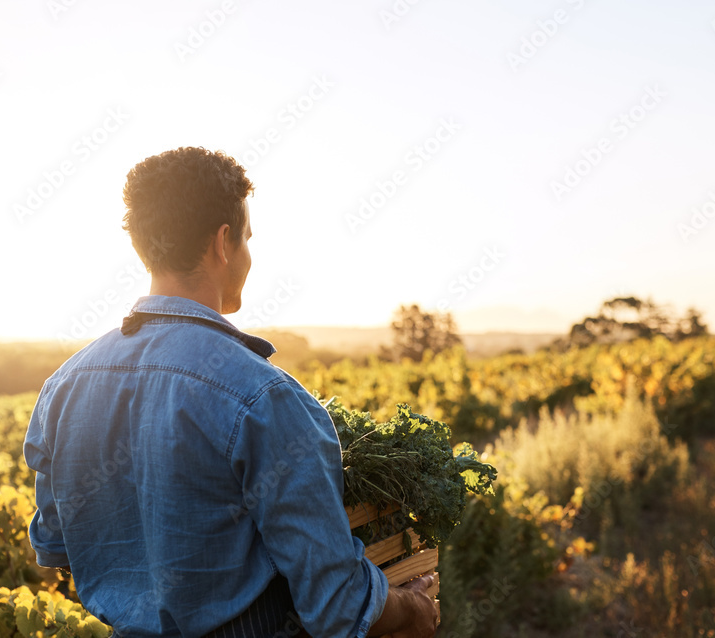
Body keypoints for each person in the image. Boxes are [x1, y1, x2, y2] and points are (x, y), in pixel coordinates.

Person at [23, 146, 438, 637]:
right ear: (223, 243)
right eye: (246, 239)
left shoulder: (63, 389)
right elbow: (337, 605)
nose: (246, 255)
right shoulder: (264, 398)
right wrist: (414, 610)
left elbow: (55, 545)